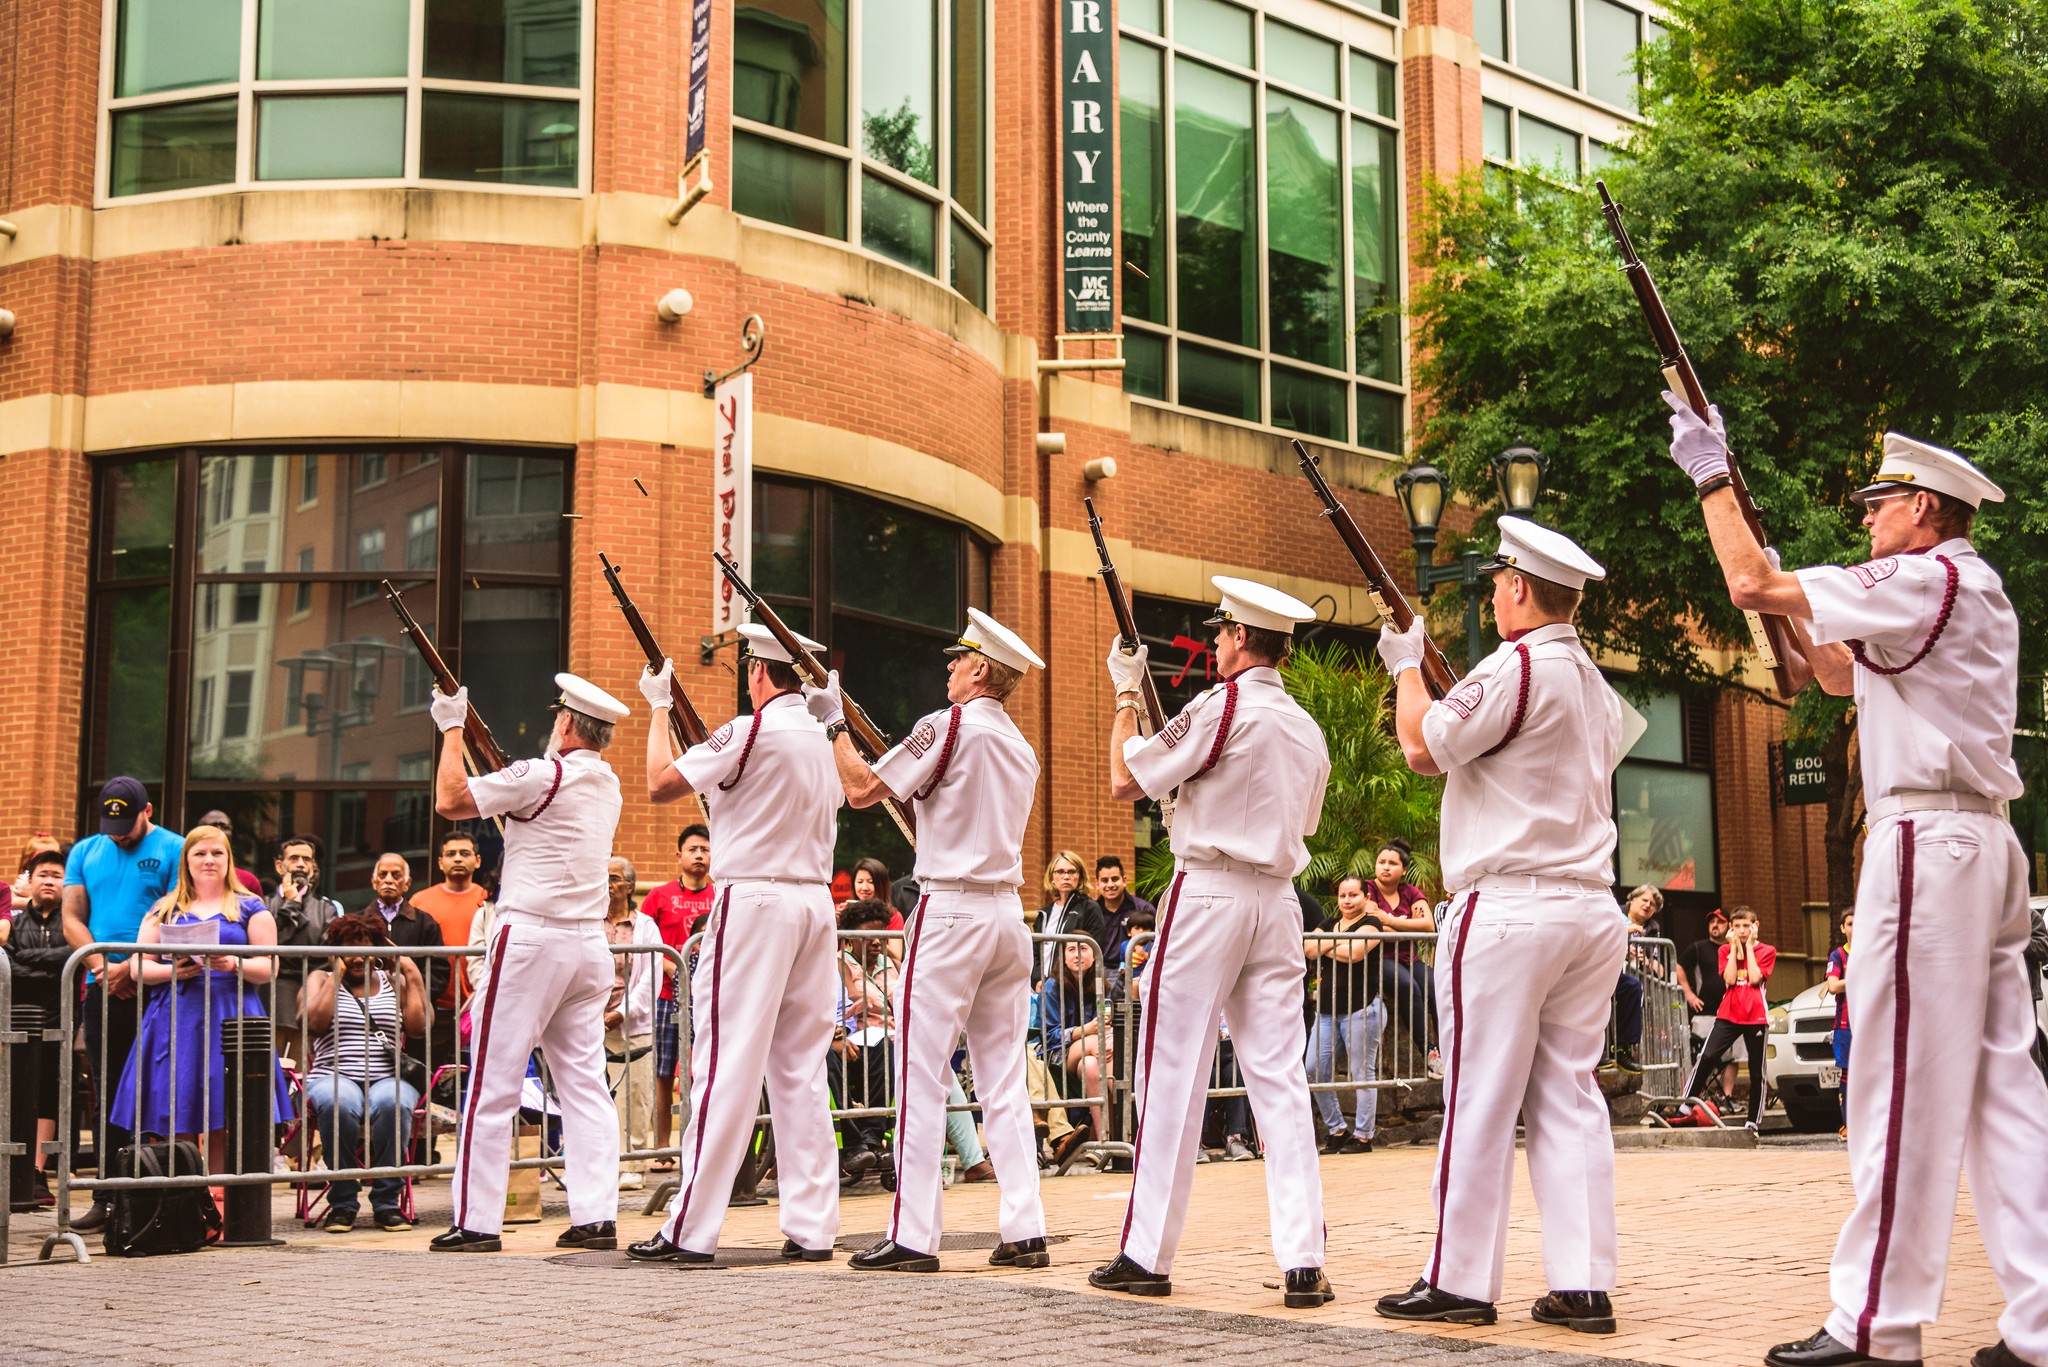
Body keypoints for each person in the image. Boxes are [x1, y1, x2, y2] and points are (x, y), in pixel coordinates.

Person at [1665, 414, 2048, 1367]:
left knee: (1893, 1085)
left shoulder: (1926, 575)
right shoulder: (1961, 587)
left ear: (1923, 508)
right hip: (1977, 841)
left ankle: (1877, 1323)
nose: (1868, 520)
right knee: (2004, 1090)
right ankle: (2042, 1321)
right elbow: (1831, 674)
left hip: (1927, 840)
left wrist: (1716, 480)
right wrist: (1800, 608)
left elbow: (1748, 581)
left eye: (1878, 505)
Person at [1373, 517, 1628, 1336]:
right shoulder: (1592, 681)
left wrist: (1408, 666)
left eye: (1498, 581)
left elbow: (1423, 746)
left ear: (1520, 588)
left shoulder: (1515, 663)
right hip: (1590, 903)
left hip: (1511, 902)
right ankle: (1583, 1281)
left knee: (1480, 1094)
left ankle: (1458, 1276)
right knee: (1570, 1093)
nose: (1492, 591)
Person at [1093, 575, 1334, 1309]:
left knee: (1172, 1068)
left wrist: (1127, 692)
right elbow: (1306, 821)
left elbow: (1120, 777)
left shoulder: (1217, 704)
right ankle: (1303, 1259)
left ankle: (1147, 1251)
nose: (1218, 643)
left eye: (1222, 632)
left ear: (1236, 639)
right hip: (1276, 899)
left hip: (1209, 894)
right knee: (1280, 1078)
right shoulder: (1305, 727)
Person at [808, 606, 1049, 1274]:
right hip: (1007, 911)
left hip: (951, 913)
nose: (947, 667)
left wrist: (833, 723)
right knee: (1003, 1080)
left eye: (957, 658)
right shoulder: (1021, 746)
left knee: (921, 1071)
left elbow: (859, 789)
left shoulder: (944, 725)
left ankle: (915, 1234)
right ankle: (1025, 1227)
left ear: (978, 669)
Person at [626, 624, 844, 1265]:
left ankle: (690, 1228)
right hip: (812, 904)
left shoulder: (749, 731)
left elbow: (660, 782)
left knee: (724, 1065)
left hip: (754, 901)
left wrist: (661, 705)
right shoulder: (821, 738)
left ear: (757, 673)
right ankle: (812, 1227)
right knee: (800, 1072)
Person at [428, 672, 628, 1255]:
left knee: (492, 1079)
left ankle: (477, 1221)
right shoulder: (607, 783)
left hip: (532, 938)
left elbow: (450, 800)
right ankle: (596, 1216)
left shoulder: (545, 772)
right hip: (587, 944)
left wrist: (451, 726)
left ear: (566, 723)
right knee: (585, 1086)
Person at [109, 825, 293, 1176]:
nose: (209, 860)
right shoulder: (164, 908)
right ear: (187, 861)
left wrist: (233, 962)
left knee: (224, 1105)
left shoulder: (250, 908)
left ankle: (221, 1196)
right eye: (200, 854)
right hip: (175, 1016)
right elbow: (137, 966)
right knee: (177, 1101)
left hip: (231, 1013)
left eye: (217, 853)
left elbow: (270, 966)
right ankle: (185, 1198)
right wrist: (172, 972)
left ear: (228, 860)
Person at [61, 776, 184, 1232]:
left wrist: (131, 966)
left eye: (127, 822)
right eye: (111, 823)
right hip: (104, 983)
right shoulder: (86, 851)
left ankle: (155, 1191)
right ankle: (108, 1195)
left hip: (157, 983)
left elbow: (175, 912)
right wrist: (100, 968)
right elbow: (73, 916)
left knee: (159, 1085)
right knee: (109, 1087)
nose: (119, 831)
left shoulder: (175, 846)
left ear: (147, 810)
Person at [301, 912, 432, 1231]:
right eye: (348, 948)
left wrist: (411, 972)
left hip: (388, 1077)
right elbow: (313, 1024)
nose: (358, 956)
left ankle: (387, 1203)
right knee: (339, 1102)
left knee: (393, 1102)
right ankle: (343, 1203)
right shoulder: (319, 979)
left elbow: (418, 1028)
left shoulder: (393, 982)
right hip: (332, 1075)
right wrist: (336, 973)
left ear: (378, 948)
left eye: (365, 946)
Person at [638, 823, 716, 1157]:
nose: (699, 855)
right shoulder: (659, 896)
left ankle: (701, 1146)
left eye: (705, 850)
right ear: (679, 855)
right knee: (663, 1072)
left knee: (706, 1070)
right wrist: (676, 969)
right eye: (693, 849)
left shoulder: (721, 893)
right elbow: (647, 942)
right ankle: (662, 1148)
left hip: (711, 999)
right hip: (668, 997)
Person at [6, 846, 71, 1208]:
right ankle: (14, 1168)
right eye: (42, 874)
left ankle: (36, 1171)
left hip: (59, 1015)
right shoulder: (15, 922)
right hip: (19, 1016)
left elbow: (71, 957)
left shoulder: (72, 920)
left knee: (50, 1089)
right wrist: (46, 967)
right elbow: (9, 967)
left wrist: (31, 960)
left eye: (57, 876)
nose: (49, 881)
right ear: (29, 881)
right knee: (17, 1087)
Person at [1306, 873, 1386, 1154]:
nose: (1347, 900)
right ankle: (1337, 1130)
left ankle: (1364, 1136)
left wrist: (1325, 944)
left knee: (1362, 1073)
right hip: (1327, 1010)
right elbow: (1307, 948)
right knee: (1313, 1069)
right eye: (1343, 895)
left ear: (1366, 897)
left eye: (1353, 895)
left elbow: (1355, 953)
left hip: (1361, 1008)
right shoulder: (1330, 922)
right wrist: (1336, 943)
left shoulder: (1372, 923)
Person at [601, 855, 666, 1188]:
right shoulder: (591, 921)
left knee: (635, 1096)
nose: (608, 884)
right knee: (594, 1097)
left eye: (613, 878)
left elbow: (650, 978)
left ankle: (634, 1164)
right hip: (590, 1022)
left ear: (628, 886)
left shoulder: (645, 926)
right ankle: (595, 1163)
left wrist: (621, 1013)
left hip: (630, 1022)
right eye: (604, 878)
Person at [1679, 906, 1773, 1130]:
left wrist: (1749, 948)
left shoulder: (1767, 950)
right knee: (1708, 1054)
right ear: (1731, 929)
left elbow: (1754, 979)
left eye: (1746, 926)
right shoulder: (1724, 951)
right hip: (1728, 1014)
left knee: (1756, 1068)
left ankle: (1753, 1120)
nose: (1742, 931)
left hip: (1755, 1017)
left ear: (1755, 927)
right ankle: (1686, 1101)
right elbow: (1730, 979)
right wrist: (1733, 947)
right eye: (1737, 926)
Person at [411, 831, 491, 1066]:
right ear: (440, 862)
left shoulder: (491, 900)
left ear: (477, 861)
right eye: (451, 854)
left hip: (478, 1004)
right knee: (432, 1077)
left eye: (464, 853)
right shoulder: (419, 901)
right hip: (435, 1007)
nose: (457, 859)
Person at [1360, 839, 1439, 1079]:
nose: (1385, 867)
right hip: (1380, 958)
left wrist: (1389, 920)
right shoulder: (1367, 889)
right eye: (1381, 862)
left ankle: (1451, 1050)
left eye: (1392, 863)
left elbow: (1428, 924)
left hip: (1409, 957)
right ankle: (1430, 1054)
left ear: (1403, 869)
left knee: (1436, 986)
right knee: (1408, 986)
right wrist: (1406, 925)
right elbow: (1373, 926)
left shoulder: (1410, 891)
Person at [266, 834, 342, 1070]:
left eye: (307, 860)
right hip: (270, 999)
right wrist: (291, 905)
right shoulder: (262, 904)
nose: (301, 864)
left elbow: (326, 955)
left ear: (313, 867)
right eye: (294, 858)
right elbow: (268, 946)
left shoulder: (326, 909)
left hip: (308, 997)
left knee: (303, 1078)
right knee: (268, 1074)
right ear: (280, 866)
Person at [366, 853, 449, 1051]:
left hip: (413, 1015)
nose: (388, 880)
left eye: (396, 875)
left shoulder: (425, 923)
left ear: (407, 883)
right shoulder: (358, 921)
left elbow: (439, 971)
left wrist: (413, 993)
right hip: (368, 1012)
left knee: (412, 1073)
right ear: (374, 881)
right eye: (383, 874)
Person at [1038, 937, 1110, 1141]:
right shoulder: (1052, 986)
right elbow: (1050, 1036)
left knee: (1091, 1065)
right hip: (1057, 1055)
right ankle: (1124, 1134)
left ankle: (1104, 1137)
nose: (1078, 954)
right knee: (1102, 1047)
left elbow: (1108, 1021)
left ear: (1095, 955)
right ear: (1063, 957)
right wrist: (1085, 1030)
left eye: (1084, 948)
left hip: (1094, 1053)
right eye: (1071, 949)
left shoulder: (1100, 985)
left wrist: (1106, 1035)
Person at [1676, 908, 1739, 1103]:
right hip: (1705, 1013)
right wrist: (1689, 994)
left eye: (1719, 922)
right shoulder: (1698, 947)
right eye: (1711, 922)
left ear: (1728, 925)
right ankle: (1697, 1096)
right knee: (1702, 1056)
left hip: (1732, 1012)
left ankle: (1726, 1096)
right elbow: (1678, 966)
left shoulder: (1733, 949)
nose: (1715, 925)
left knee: (1733, 1057)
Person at [1606, 884, 1664, 1076]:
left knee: (1633, 987)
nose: (1648, 905)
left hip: (1623, 978)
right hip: (1603, 969)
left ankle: (1624, 1049)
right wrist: (1622, 946)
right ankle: (1603, 1051)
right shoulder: (1613, 911)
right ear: (1632, 899)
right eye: (1644, 900)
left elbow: (1661, 971)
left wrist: (1644, 961)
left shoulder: (1653, 928)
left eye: (1653, 904)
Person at [1032, 850, 1106, 984]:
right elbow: (1035, 953)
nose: (1066, 876)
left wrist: (1061, 981)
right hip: (1043, 987)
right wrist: (1037, 979)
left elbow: (1095, 949)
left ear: (1080, 877)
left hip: (1073, 985)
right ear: (1052, 877)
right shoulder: (1044, 914)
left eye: (1071, 872)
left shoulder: (1089, 908)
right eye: (1060, 872)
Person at [1823, 910, 1853, 1135]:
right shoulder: (1838, 956)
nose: (1855, 928)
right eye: (1850, 924)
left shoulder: (1874, 952)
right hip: (1846, 1026)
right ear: (1843, 928)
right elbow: (1833, 986)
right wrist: (1858, 977)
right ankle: (1848, 1124)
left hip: (1872, 1025)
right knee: (1847, 1074)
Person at [1095, 856, 1154, 971]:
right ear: (1097, 884)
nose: (1110, 884)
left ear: (1124, 880)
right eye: (1104, 880)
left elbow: (1157, 943)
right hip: (1099, 970)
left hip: (1137, 970)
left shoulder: (1143, 908)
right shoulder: (1092, 911)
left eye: (1115, 879)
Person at [195, 809, 265, 895]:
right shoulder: (186, 882)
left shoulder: (249, 881)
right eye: (213, 826)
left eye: (225, 827)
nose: (219, 830)